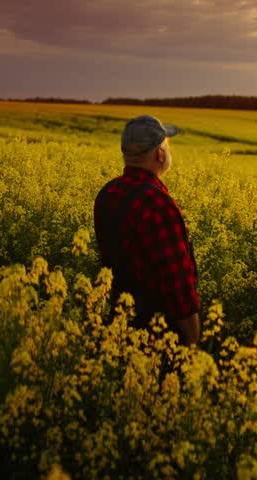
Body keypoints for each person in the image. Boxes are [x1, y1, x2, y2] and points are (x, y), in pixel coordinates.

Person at [93, 115, 200, 346]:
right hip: (158, 333)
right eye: (167, 146)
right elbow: (176, 280)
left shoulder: (107, 193)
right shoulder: (156, 202)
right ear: (160, 154)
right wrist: (191, 336)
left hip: (119, 324)